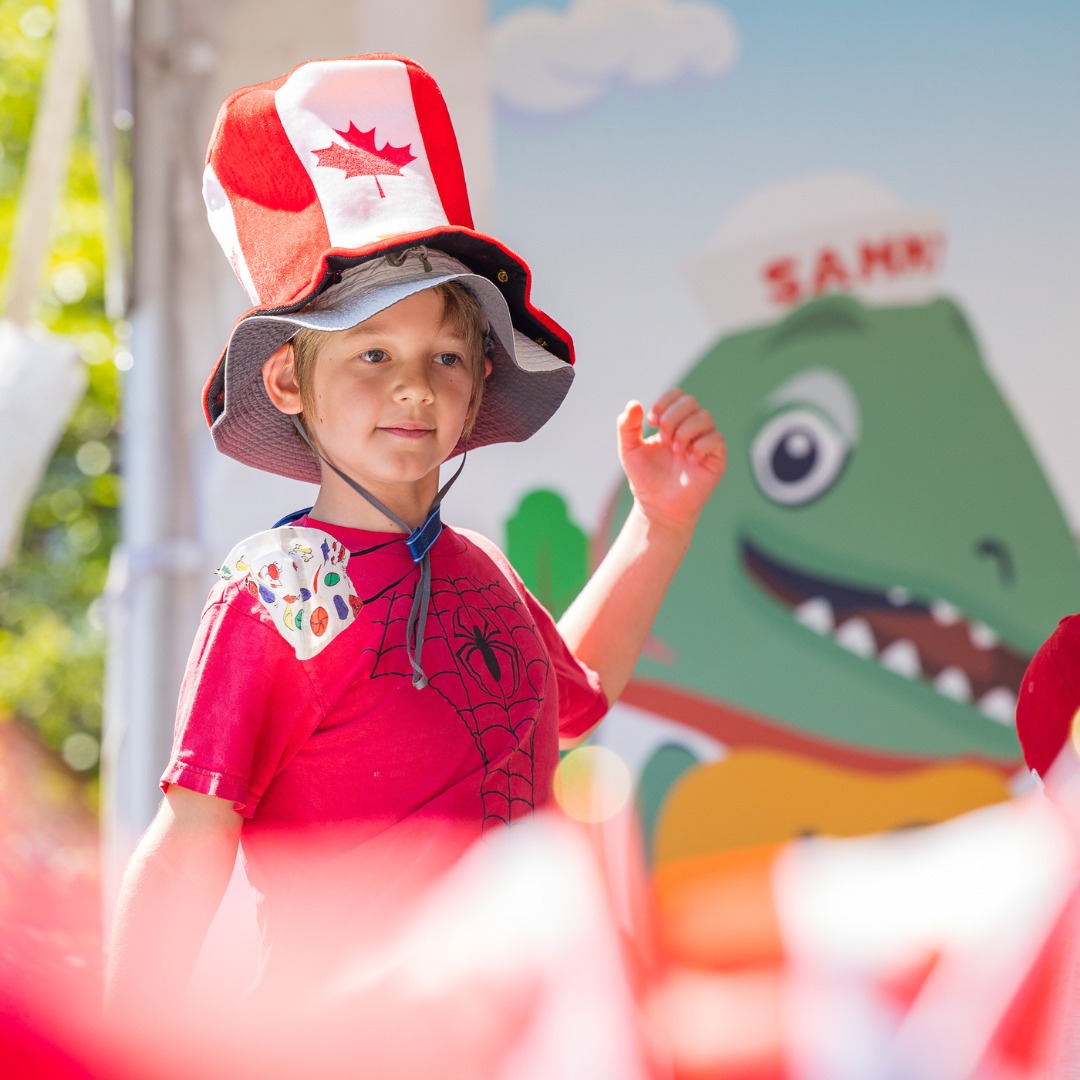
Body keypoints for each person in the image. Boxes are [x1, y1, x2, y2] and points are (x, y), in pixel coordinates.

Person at [103, 54, 724, 1032]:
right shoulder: (283, 587)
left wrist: (660, 524)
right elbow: (190, 838)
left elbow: (572, 700)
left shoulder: (480, 564)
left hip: (524, 1040)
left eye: (444, 355)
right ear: (288, 384)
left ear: (480, 381)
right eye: (371, 353)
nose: (412, 387)